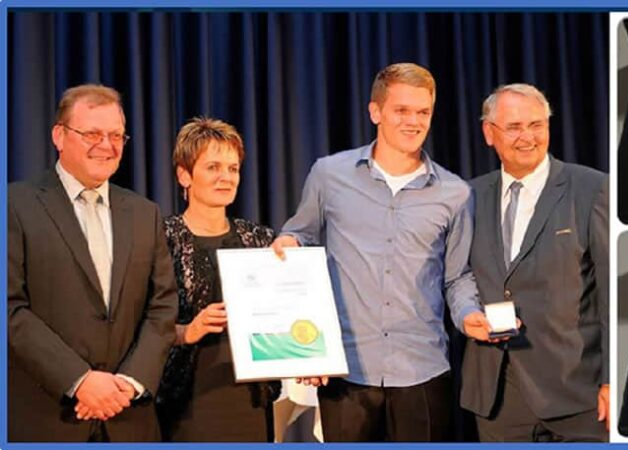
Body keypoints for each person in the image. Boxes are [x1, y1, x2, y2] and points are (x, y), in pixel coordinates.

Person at [271, 62, 484, 442]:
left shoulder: (455, 193)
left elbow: (456, 277)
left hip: (423, 369)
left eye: (423, 112)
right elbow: (299, 233)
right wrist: (289, 243)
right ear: (376, 112)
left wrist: (469, 315)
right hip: (346, 369)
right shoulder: (329, 175)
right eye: (402, 110)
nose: (413, 121)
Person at [7, 84, 178, 441]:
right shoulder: (14, 205)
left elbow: (162, 307)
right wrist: (79, 380)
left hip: (130, 418)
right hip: (45, 420)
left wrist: (129, 384)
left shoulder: (145, 214)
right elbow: (10, 309)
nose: (107, 145)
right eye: (92, 133)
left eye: (116, 135)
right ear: (59, 135)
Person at [460, 83, 610, 442]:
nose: (527, 137)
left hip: (578, 391)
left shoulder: (591, 188)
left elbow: (615, 291)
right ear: (488, 133)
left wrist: (613, 377)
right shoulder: (468, 197)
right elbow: (457, 276)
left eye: (536, 125)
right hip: (497, 395)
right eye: (513, 127)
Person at [155, 117, 279, 441]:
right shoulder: (159, 239)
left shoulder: (261, 239)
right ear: (184, 174)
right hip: (188, 400)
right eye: (213, 167)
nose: (226, 177)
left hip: (251, 399)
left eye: (233, 168)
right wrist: (188, 331)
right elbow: (138, 325)